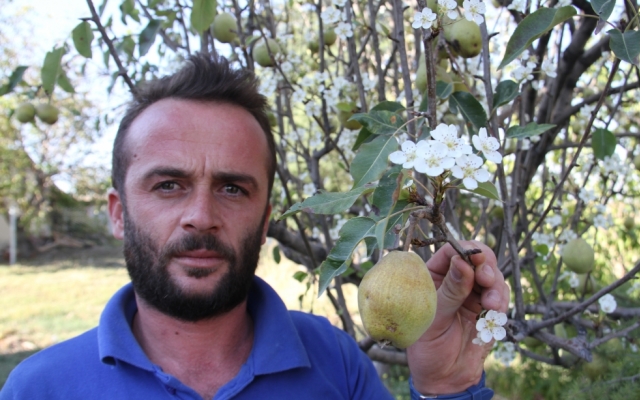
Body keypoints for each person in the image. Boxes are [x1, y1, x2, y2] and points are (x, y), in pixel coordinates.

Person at [0, 54, 509, 400]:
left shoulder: (336, 362)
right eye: (168, 185)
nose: (201, 215)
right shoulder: (39, 389)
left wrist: (447, 384)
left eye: (232, 188)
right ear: (117, 211)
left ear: (266, 219)